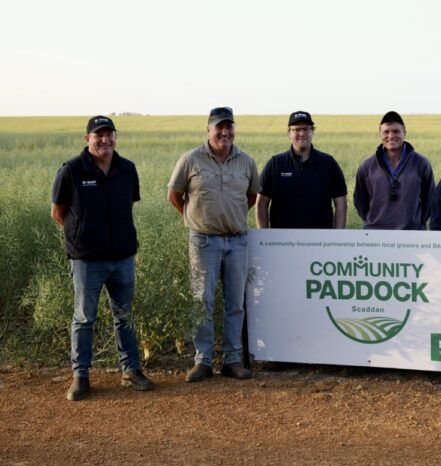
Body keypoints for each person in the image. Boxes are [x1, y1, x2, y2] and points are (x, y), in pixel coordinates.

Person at [51, 115, 155, 401]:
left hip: (122, 258)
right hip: (87, 261)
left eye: (110, 134)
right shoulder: (72, 170)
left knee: (124, 316)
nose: (105, 140)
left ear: (115, 138)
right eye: (99, 135)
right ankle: (80, 376)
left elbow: (127, 206)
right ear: (88, 139)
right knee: (84, 318)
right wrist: (82, 240)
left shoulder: (127, 169)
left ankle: (131, 371)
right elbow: (58, 212)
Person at [167, 107, 260, 382]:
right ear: (208, 129)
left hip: (237, 240)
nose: (225, 132)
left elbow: (252, 197)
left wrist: (230, 217)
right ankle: (202, 361)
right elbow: (174, 195)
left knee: (236, 304)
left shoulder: (247, 162)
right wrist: (193, 218)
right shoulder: (190, 159)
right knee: (202, 301)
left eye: (229, 127)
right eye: (219, 127)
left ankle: (232, 360)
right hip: (203, 241)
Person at [256, 111, 347, 229]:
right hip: (281, 242)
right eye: (297, 129)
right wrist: (264, 238)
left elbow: (341, 203)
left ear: (313, 131)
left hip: (321, 242)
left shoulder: (329, 164)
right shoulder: (275, 164)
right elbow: (261, 204)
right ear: (289, 133)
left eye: (306, 129)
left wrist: (337, 237)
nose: (302, 133)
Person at [353, 111, 435, 230]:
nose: (391, 136)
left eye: (396, 131)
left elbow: (430, 198)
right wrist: (373, 220)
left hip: (412, 233)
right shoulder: (367, 166)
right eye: (386, 132)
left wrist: (418, 222)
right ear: (380, 135)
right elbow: (360, 200)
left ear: (404, 133)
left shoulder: (421, 163)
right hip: (375, 234)